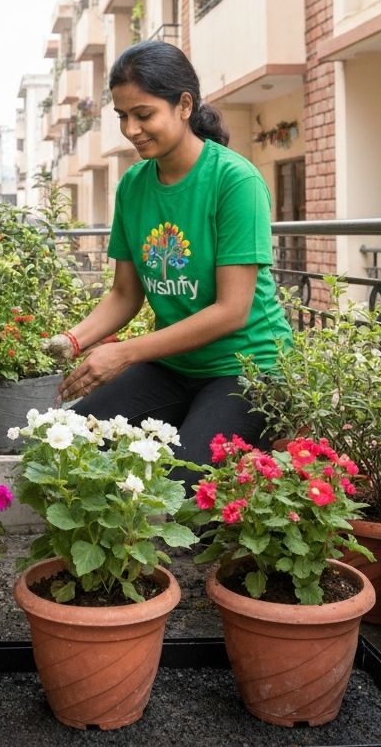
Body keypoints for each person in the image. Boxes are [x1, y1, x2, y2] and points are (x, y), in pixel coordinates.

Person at [43, 40, 293, 467]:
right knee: (65, 442)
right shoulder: (133, 186)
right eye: (122, 116)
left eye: (143, 115)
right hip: (172, 366)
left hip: (249, 371)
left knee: (186, 479)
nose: (131, 129)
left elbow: (232, 310)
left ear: (183, 105)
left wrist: (125, 352)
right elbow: (125, 294)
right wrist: (73, 339)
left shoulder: (234, 181)